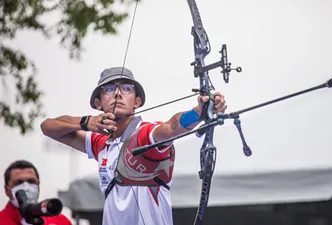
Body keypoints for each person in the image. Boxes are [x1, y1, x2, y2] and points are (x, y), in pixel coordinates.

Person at [40, 66, 227, 225]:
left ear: (137, 101)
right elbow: (48, 127)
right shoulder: (100, 143)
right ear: (98, 103)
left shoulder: (145, 135)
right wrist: (86, 122)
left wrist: (199, 112)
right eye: (109, 89)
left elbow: (171, 126)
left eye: (127, 89)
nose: (118, 93)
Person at [0, 160, 72, 225]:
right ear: (6, 190)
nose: (26, 188)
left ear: (38, 185)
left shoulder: (61, 222)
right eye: (18, 183)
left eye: (31, 181)